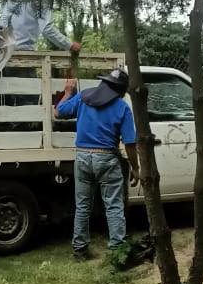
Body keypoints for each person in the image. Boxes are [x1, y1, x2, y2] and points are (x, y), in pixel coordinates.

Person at [55, 68, 140, 261]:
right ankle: (118, 253)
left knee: (83, 206)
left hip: (83, 157)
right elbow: (129, 142)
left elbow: (58, 113)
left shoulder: (84, 97)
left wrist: (68, 92)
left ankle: (80, 250)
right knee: (114, 206)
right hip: (107, 158)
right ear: (120, 90)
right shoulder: (122, 107)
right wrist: (135, 168)